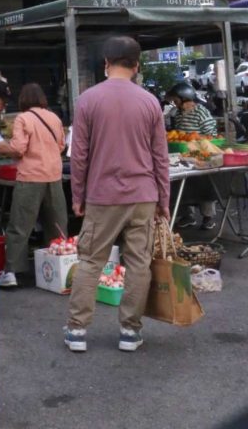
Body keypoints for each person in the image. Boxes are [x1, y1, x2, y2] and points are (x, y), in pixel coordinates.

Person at [64, 35, 170, 354]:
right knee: (138, 263)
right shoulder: (150, 102)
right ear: (136, 65)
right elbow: (160, 157)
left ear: (106, 63)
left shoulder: (88, 100)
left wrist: (78, 195)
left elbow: (79, 156)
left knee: (90, 261)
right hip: (143, 195)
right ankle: (129, 331)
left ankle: (77, 330)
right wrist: (164, 200)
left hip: (102, 195)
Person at [0, 82, 67, 288]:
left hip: (30, 178)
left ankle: (11, 272)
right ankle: (58, 270)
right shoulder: (54, 117)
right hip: (54, 176)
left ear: (23, 99)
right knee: (56, 225)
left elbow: (18, 148)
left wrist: (2, 148)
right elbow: (61, 146)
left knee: (20, 226)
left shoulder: (23, 118)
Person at [166, 81, 218, 230]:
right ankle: (187, 215)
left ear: (185, 98)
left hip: (201, 154)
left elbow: (211, 135)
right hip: (184, 154)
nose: (174, 104)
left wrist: (195, 140)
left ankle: (208, 217)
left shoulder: (201, 112)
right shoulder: (178, 114)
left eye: (176, 100)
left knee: (204, 185)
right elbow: (178, 134)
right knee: (182, 185)